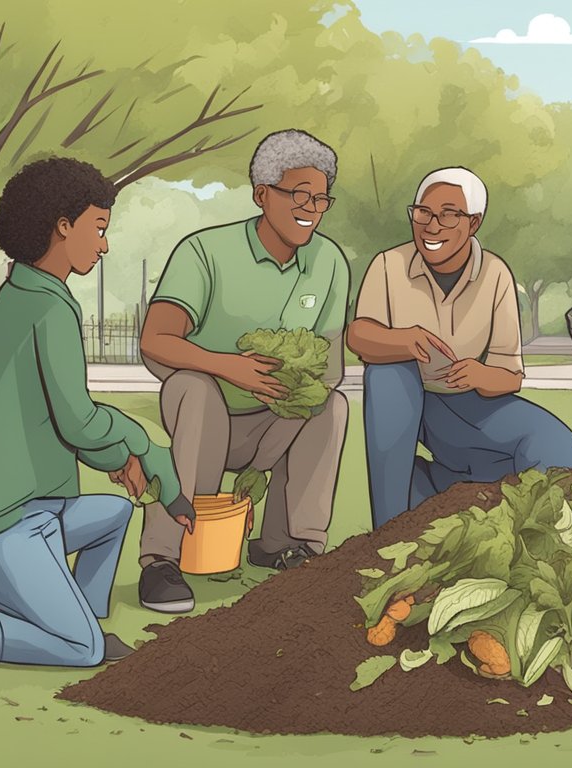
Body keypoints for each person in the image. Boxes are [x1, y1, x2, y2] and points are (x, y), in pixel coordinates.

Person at [0, 158, 189, 667]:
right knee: (81, 651)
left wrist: (117, 456)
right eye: (99, 228)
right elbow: (78, 421)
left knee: (116, 511)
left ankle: (76, 616)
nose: (104, 245)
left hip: (31, 511)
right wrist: (144, 447)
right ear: (63, 226)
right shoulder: (46, 307)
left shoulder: (26, 291)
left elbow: (60, 417)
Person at [137, 129, 350, 613]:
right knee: (195, 387)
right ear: (262, 194)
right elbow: (156, 339)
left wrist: (294, 390)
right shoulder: (204, 252)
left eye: (320, 199)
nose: (311, 209)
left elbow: (330, 364)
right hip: (201, 409)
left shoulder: (330, 262)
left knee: (330, 405)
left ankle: (288, 544)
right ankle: (162, 559)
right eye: (299, 194)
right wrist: (228, 368)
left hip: (274, 416)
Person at [348, 167, 572, 528]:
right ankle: (389, 529)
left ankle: (462, 499)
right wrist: (405, 340)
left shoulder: (495, 273)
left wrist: (480, 375)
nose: (431, 225)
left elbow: (510, 376)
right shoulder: (388, 264)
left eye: (448, 215)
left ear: (473, 223)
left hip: (468, 404)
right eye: (423, 213)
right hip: (407, 401)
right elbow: (359, 336)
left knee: (556, 444)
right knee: (388, 374)